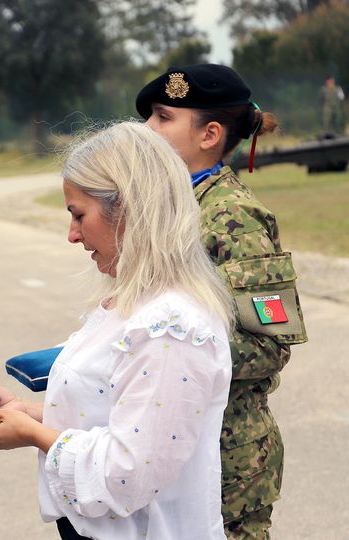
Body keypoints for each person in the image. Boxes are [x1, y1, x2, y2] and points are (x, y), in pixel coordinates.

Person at [0, 122, 235, 539]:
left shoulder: (169, 329)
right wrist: (30, 413)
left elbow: (128, 475)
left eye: (79, 215)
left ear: (128, 208)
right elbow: (120, 415)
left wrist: (35, 435)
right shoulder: (135, 304)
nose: (72, 235)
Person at [135, 64, 308, 539]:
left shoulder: (234, 217)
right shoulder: (170, 207)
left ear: (210, 134)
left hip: (228, 460)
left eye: (163, 117)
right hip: (177, 444)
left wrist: (163, 351)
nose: (147, 129)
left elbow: (271, 344)